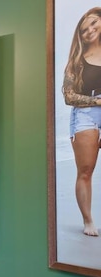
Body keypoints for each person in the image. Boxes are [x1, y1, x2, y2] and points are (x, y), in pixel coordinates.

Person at [63, 7, 101, 236]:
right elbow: (68, 96)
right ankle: (88, 222)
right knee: (85, 170)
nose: (90, 31)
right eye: (84, 30)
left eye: (94, 24)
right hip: (86, 115)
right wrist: (96, 102)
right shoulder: (76, 61)